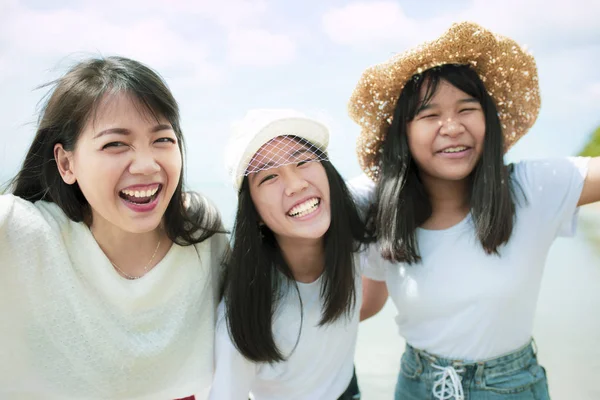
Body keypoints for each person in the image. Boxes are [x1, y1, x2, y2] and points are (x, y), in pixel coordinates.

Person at [347, 22, 600, 400]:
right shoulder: (381, 206)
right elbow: (368, 300)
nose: (452, 127)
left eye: (467, 109)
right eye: (430, 115)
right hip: (416, 383)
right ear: (403, 133)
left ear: (489, 122)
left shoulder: (531, 187)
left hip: (511, 387)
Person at [0, 56, 228, 400]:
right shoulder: (21, 232)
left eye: (163, 140)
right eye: (115, 144)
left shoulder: (199, 229)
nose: (147, 165)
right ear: (66, 163)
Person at [209, 109, 368, 400]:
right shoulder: (243, 314)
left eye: (303, 161)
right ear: (253, 212)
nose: (296, 184)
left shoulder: (356, 216)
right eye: (269, 177)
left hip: (348, 388)